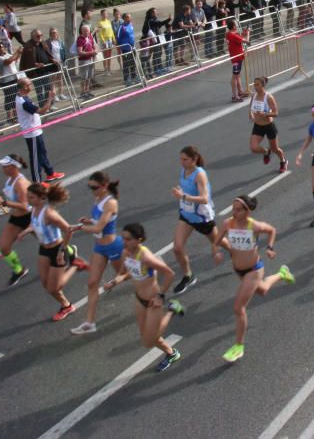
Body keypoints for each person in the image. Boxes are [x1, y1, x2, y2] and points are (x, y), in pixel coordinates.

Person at [212, 195, 295, 363]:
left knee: (238, 308)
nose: (233, 212)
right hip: (238, 270)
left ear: (247, 212)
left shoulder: (254, 225)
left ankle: (238, 346)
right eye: (232, 208)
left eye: (238, 209)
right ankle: (282, 273)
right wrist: (216, 252)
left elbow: (271, 230)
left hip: (254, 270)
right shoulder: (228, 224)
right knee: (263, 290)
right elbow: (216, 241)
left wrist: (270, 247)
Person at [104, 223, 185, 372]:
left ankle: (172, 309)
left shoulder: (146, 257)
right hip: (139, 299)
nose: (124, 242)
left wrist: (160, 296)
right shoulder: (126, 253)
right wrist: (114, 282)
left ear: (139, 240)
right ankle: (171, 353)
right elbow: (125, 273)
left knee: (149, 342)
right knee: (146, 336)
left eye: (128, 239)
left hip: (153, 301)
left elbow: (169, 273)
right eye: (123, 238)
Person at [16, 181, 89, 322]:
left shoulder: (49, 214)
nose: (28, 199)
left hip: (57, 250)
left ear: (42, 198)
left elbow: (68, 230)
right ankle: (66, 306)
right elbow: (34, 222)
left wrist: (62, 251)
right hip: (44, 249)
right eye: (28, 196)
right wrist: (25, 231)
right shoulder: (34, 209)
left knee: (53, 287)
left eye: (31, 197)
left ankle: (75, 264)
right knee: (45, 284)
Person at [70, 171, 126, 335]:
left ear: (104, 186)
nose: (92, 190)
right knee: (92, 283)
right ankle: (89, 323)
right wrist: (88, 220)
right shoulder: (98, 199)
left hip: (113, 246)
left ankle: (147, 277)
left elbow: (99, 228)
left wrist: (79, 227)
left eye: (94, 187)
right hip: (99, 248)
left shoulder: (111, 203)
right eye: (90, 187)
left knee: (125, 275)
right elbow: (98, 222)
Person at [171, 145, 218, 295]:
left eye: (185, 159)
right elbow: (187, 190)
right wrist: (181, 191)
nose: (182, 162)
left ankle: (238, 254)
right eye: (181, 159)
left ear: (194, 159)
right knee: (177, 248)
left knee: (218, 242)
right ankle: (188, 276)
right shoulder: (184, 170)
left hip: (201, 217)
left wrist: (183, 196)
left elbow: (204, 199)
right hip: (186, 215)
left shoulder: (200, 174)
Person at [0, 155, 32, 286]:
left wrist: (4, 202)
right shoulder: (10, 180)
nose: (3, 168)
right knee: (4, 247)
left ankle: (70, 253)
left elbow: (25, 206)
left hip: (30, 218)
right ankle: (18, 270)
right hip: (16, 218)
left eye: (5, 166)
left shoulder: (21, 183)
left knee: (49, 244)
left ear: (14, 167)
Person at [15, 77, 64, 182]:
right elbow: (42, 111)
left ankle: (50, 173)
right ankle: (37, 181)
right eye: (29, 84)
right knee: (36, 157)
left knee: (42, 153)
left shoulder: (23, 96)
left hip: (36, 130)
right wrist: (50, 98)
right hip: (31, 132)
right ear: (24, 87)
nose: (31, 86)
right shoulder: (23, 101)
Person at [248, 77, 288, 172]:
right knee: (253, 148)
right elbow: (250, 108)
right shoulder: (254, 95)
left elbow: (276, 112)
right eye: (254, 84)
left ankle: (283, 161)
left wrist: (266, 114)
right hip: (258, 126)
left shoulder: (268, 97)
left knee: (275, 149)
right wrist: (251, 114)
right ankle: (266, 152)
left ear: (263, 85)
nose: (255, 86)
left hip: (269, 126)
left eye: (257, 84)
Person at [226, 19, 252, 102]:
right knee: (235, 76)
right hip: (236, 58)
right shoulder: (233, 35)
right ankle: (234, 95)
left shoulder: (231, 34)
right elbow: (247, 41)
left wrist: (244, 33)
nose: (237, 25)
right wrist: (248, 33)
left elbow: (240, 37)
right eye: (236, 24)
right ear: (233, 26)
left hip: (238, 57)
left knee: (237, 75)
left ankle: (240, 91)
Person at [75, 24, 98, 100]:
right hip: (84, 61)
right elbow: (80, 52)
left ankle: (87, 91)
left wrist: (96, 50)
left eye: (87, 31)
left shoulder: (90, 37)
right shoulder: (80, 39)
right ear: (82, 31)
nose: (86, 33)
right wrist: (91, 53)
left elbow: (93, 45)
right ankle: (82, 92)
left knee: (89, 76)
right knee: (84, 77)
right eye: (85, 31)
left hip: (91, 59)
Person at [117, 13, 139, 86]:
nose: (130, 19)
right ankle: (126, 80)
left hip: (133, 47)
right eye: (129, 18)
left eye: (130, 17)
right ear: (125, 18)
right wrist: (123, 47)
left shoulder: (131, 25)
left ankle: (134, 77)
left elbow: (132, 35)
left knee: (133, 63)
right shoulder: (122, 27)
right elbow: (118, 38)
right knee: (126, 64)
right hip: (126, 49)